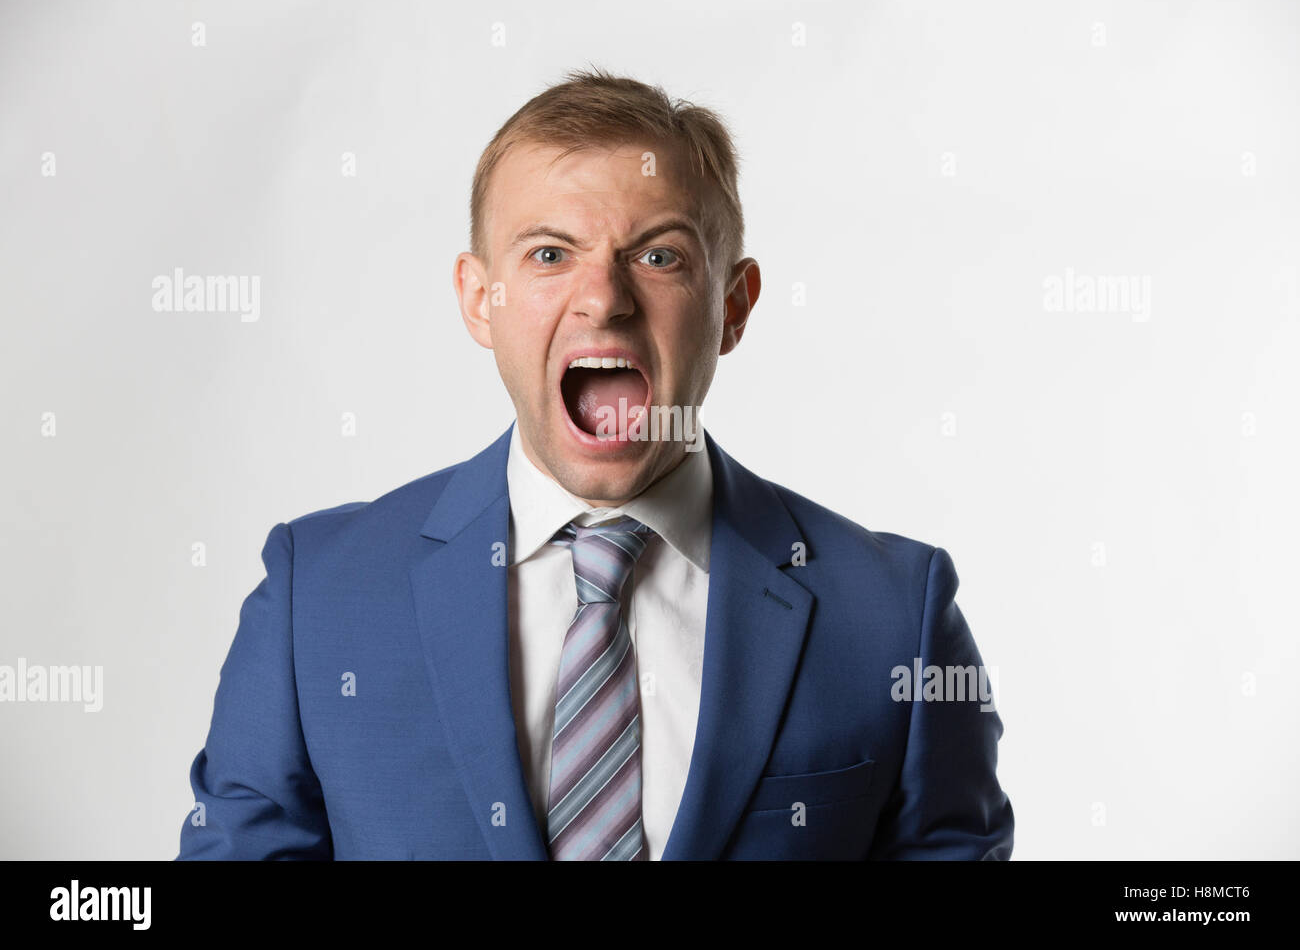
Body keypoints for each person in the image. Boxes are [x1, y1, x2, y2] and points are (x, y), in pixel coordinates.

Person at [177, 67, 1014, 861]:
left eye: (659, 256)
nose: (604, 297)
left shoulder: (894, 616)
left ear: (733, 304)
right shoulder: (316, 598)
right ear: (479, 299)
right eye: (548, 254)